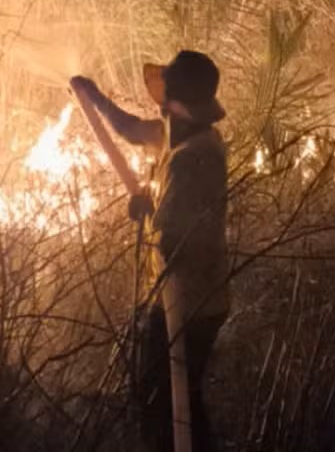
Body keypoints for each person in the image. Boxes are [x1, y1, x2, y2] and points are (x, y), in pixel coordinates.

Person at [71, 50, 231, 452]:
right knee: (176, 403)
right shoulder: (177, 131)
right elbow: (128, 129)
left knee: (167, 405)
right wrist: (92, 96)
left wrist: (147, 209)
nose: (159, 105)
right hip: (180, 296)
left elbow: (178, 237)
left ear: (176, 104)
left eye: (165, 99)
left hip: (190, 301)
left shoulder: (198, 157)